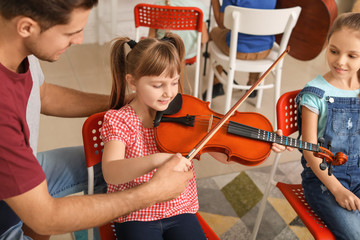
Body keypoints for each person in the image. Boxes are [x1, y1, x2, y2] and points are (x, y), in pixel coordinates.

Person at [0, 1, 193, 239]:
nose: (79, 40)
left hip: (19, 168)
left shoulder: (18, 49)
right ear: (26, 27)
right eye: (71, 32)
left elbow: (44, 95)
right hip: (4, 210)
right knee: (116, 173)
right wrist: (151, 193)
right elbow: (47, 218)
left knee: (107, 159)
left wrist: (122, 101)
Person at [101, 32, 208, 240]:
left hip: (179, 208)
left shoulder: (184, 114)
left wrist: (263, 141)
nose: (169, 93)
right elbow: (111, 172)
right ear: (132, 82)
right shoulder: (119, 120)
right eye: (158, 85)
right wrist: (157, 159)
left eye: (174, 82)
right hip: (135, 212)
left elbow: (223, 152)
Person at [296, 12, 360, 239]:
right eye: (334, 51)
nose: (340, 61)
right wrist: (337, 189)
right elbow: (309, 148)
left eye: (352, 56)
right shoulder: (315, 94)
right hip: (325, 180)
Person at [203, 0, 277, 99]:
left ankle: (216, 84)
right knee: (257, 35)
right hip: (265, 50)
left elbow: (221, 24)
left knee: (214, 32)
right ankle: (252, 84)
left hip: (238, 50)